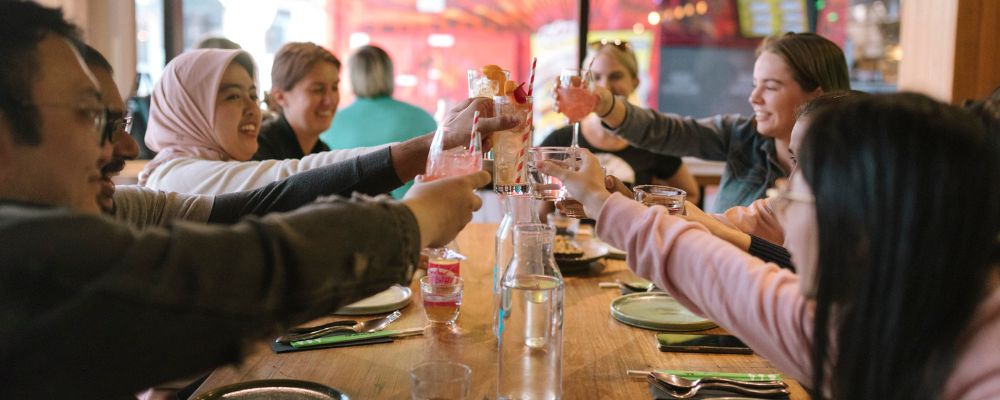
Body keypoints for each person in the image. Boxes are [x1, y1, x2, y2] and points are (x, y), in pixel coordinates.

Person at [0, 2, 487, 397]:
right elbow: (236, 269)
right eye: (91, 116)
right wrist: (414, 218)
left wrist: (425, 156)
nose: (126, 147)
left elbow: (268, 201)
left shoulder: (119, 206)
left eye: (121, 121)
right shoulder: (24, 259)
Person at [542, 93, 1000, 399]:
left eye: (800, 186)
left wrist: (606, 203)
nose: (781, 201)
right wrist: (603, 202)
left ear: (868, 219)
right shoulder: (867, 321)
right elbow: (720, 275)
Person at [139, 48, 511, 195]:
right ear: (188, 108)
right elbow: (290, 181)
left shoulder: (216, 165)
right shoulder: (177, 179)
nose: (253, 109)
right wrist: (435, 144)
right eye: (233, 96)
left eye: (253, 95)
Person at [567, 32, 850, 212]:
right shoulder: (742, 134)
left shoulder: (852, 172)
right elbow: (666, 131)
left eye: (772, 87)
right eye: (754, 84)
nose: (754, 97)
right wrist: (604, 104)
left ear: (818, 95)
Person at [678, 91, 867, 271]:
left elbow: (811, 277)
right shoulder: (791, 201)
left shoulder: (873, 231)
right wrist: (679, 217)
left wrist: (729, 236)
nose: (754, 97)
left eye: (771, 86)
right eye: (794, 160)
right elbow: (731, 223)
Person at [542, 40, 699, 204]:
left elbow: (691, 195)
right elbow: (538, 206)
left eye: (615, 76)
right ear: (583, 84)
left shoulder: (651, 140)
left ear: (635, 83)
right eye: (595, 77)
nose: (604, 86)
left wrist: (649, 216)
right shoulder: (560, 141)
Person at [320, 44, 438, 199]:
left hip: (346, 214)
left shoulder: (329, 122)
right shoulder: (422, 118)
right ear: (390, 74)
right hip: (410, 213)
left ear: (352, 77)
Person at [254, 42, 337, 159]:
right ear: (280, 97)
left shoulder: (323, 152)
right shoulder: (259, 149)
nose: (330, 100)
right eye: (317, 89)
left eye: (334, 87)